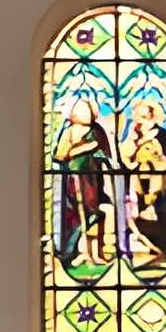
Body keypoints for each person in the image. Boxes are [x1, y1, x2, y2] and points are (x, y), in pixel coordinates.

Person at [53, 96, 114, 271]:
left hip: (94, 179)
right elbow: (60, 155)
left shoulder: (97, 131)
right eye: (80, 110)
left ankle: (97, 253)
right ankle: (82, 253)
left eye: (87, 109)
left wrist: (98, 152)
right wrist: (82, 148)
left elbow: (105, 156)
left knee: (96, 214)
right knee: (81, 216)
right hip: (75, 180)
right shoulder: (69, 131)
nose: (84, 113)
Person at [123, 97, 166, 268]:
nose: (140, 121)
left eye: (144, 117)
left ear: (153, 116)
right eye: (137, 117)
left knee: (161, 218)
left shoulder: (164, 136)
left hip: (158, 188)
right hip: (136, 186)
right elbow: (125, 157)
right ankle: (150, 253)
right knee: (136, 219)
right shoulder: (132, 135)